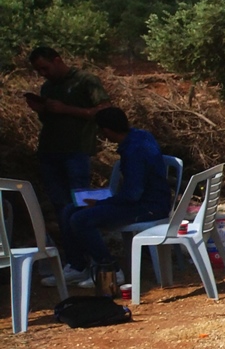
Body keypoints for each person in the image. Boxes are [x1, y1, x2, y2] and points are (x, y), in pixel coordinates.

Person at [50, 107, 171, 287]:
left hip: (149, 206)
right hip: (142, 200)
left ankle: (110, 269)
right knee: (69, 210)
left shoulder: (134, 151)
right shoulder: (140, 135)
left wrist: (101, 203)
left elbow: (132, 194)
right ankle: (77, 266)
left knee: (81, 219)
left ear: (106, 131)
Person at [23, 46, 111, 214]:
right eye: (38, 70)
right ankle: (68, 238)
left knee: (80, 201)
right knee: (59, 203)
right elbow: (49, 120)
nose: (43, 73)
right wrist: (41, 110)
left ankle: (86, 237)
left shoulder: (85, 81)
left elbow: (105, 110)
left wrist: (67, 109)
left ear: (57, 60)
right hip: (49, 151)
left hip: (76, 150)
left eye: (45, 68)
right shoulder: (47, 87)